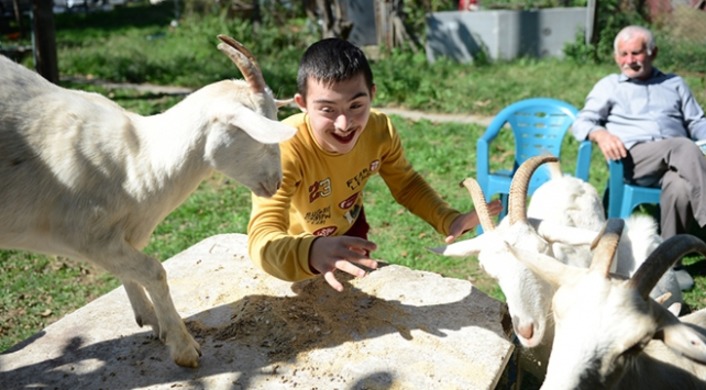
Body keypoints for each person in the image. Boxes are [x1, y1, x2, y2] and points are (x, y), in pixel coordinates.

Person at [247, 38, 502, 292]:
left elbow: (406, 184)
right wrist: (310, 250)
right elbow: (263, 236)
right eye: (327, 109)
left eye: (356, 105)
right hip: (296, 247)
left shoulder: (380, 130)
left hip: (349, 228)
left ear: (372, 94)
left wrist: (448, 219)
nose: (344, 124)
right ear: (302, 104)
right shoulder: (284, 148)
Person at [571, 25, 706, 290]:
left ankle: (670, 263)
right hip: (635, 159)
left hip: (678, 161)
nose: (629, 60)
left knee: (678, 186)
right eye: (623, 54)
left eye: (636, 53)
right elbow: (581, 122)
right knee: (682, 146)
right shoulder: (609, 85)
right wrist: (600, 134)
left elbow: (697, 122)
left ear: (652, 52)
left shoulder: (674, 84)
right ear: (616, 57)